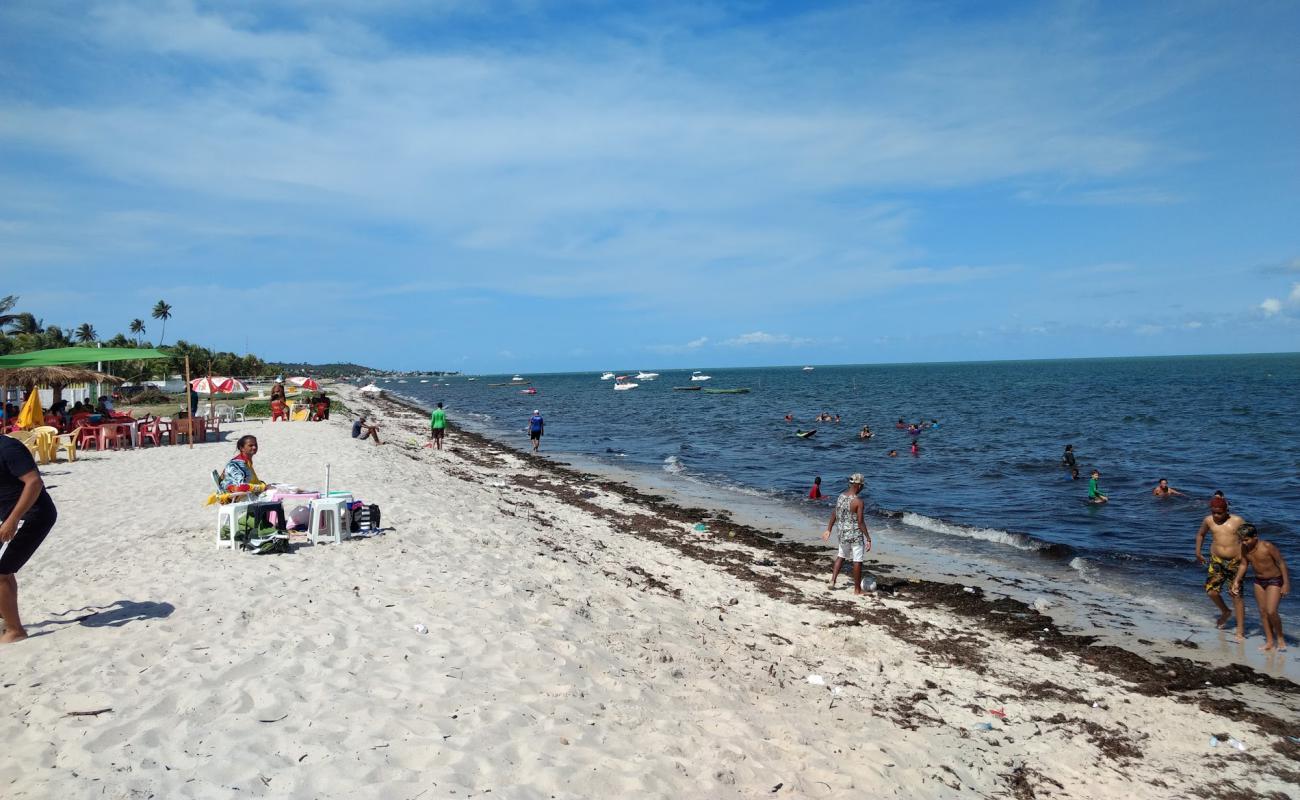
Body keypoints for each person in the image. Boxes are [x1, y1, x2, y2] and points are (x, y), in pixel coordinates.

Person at [0, 432, 57, 643]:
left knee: (2, 572)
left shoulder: (8, 448)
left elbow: (34, 483)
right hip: (9, 516)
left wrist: (13, 520)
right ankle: (4, 618)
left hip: (34, 517)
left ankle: (15, 631)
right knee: (4, 571)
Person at [1230, 523, 1289, 652]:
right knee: (1262, 612)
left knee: (1271, 611)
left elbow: (1281, 563)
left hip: (1275, 580)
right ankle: (1269, 641)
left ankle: (1279, 637)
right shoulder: (1244, 548)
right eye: (1241, 540)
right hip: (1259, 581)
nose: (1244, 543)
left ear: (1255, 536)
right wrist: (1236, 581)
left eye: (1246, 540)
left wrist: (1286, 584)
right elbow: (1244, 565)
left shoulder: (1267, 546)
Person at [1195, 495, 1246, 639]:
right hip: (1216, 560)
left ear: (1226, 510)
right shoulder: (1208, 520)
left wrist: (1247, 558)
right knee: (1211, 591)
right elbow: (1201, 534)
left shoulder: (1237, 521)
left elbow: (1249, 539)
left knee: (1236, 594)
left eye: (1219, 513)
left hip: (1235, 562)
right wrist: (1198, 552)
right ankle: (1225, 611)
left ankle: (1240, 629)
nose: (1216, 516)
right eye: (1214, 512)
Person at [821, 473, 872, 594]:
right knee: (857, 560)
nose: (863, 488)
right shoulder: (858, 502)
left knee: (841, 556)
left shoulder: (841, 496)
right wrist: (868, 538)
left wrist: (829, 529)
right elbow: (860, 523)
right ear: (858, 486)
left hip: (842, 533)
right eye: (862, 485)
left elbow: (834, 513)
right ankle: (857, 590)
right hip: (854, 535)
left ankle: (833, 580)